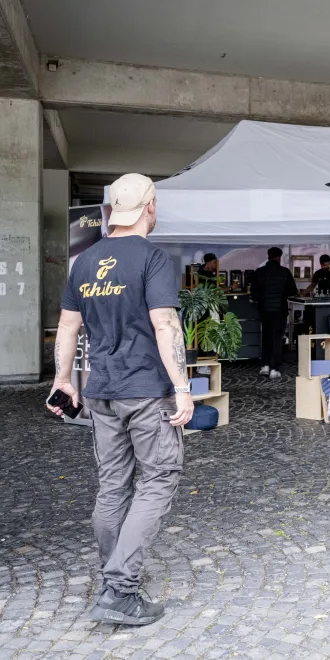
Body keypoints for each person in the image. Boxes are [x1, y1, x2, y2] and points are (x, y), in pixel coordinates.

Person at [47, 173, 193, 626]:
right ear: (149, 206)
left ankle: (114, 582)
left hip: (101, 392)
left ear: (111, 211)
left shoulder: (84, 262)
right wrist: (184, 389)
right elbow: (165, 325)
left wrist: (63, 381)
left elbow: (68, 328)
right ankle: (120, 588)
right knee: (159, 476)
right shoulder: (153, 258)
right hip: (146, 390)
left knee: (113, 486)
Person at [253, 247, 298, 379]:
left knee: (266, 337)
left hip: (264, 311)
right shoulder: (284, 272)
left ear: (268, 256)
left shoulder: (259, 272)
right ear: (279, 257)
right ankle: (274, 368)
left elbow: (254, 293)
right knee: (277, 339)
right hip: (280, 310)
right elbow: (292, 291)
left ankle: (265, 366)